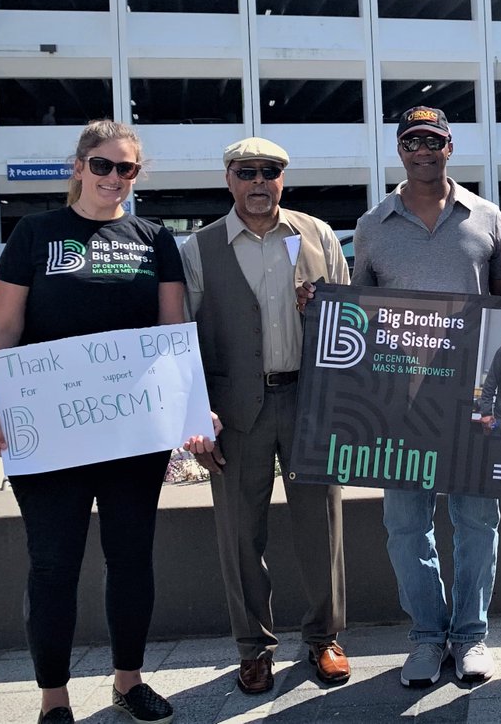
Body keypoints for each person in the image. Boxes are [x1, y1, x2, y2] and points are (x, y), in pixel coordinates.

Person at [0, 120, 183, 724]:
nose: (114, 178)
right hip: (47, 426)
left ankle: (128, 679)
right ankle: (54, 698)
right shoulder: (36, 234)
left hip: (130, 430)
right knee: (53, 564)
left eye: (127, 169)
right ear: (79, 166)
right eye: (103, 165)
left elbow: (171, 333)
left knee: (131, 557)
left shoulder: (153, 237)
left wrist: (186, 407)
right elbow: (5, 326)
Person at [306, 106, 501, 688]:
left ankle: (470, 635)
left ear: (451, 147)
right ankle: (425, 636)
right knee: (405, 524)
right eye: (412, 142)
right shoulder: (372, 226)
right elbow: (358, 316)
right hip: (399, 402)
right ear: (400, 150)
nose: (424, 151)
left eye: (434, 141)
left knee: (476, 520)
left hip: (470, 399)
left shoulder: (487, 218)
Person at [181, 136, 350, 695]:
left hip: (309, 399)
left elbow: (351, 322)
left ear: (283, 177)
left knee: (321, 527)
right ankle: (253, 648)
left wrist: (322, 311)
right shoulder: (199, 248)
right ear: (228, 178)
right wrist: (195, 416)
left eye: (269, 171)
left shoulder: (317, 235)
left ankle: (323, 638)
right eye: (246, 171)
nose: (258, 181)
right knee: (238, 532)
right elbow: (182, 339)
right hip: (234, 410)